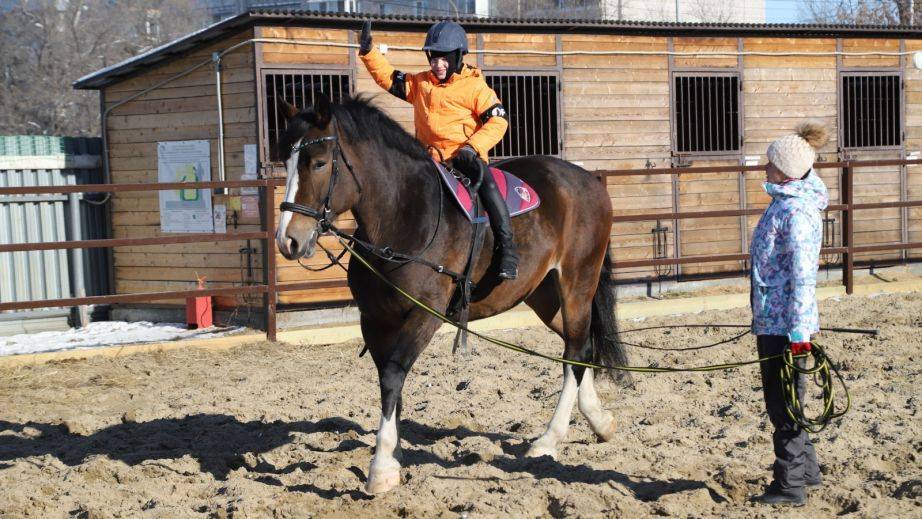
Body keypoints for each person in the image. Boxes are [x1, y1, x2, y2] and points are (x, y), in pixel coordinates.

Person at [357, 20, 518, 280]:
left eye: (444, 60)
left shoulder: (476, 87)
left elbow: (499, 120)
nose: (438, 65)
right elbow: (388, 77)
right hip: (429, 161)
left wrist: (473, 147)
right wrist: (368, 53)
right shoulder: (421, 84)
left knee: (488, 185)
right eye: (433, 59)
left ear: (457, 57)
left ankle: (508, 251)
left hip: (465, 158)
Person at [749, 122, 830, 506]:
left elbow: (802, 276)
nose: (764, 168)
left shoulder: (795, 213)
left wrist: (798, 331)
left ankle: (789, 485)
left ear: (785, 170)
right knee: (787, 401)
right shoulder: (784, 203)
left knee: (784, 406)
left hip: (785, 326)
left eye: (770, 163)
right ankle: (808, 473)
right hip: (775, 318)